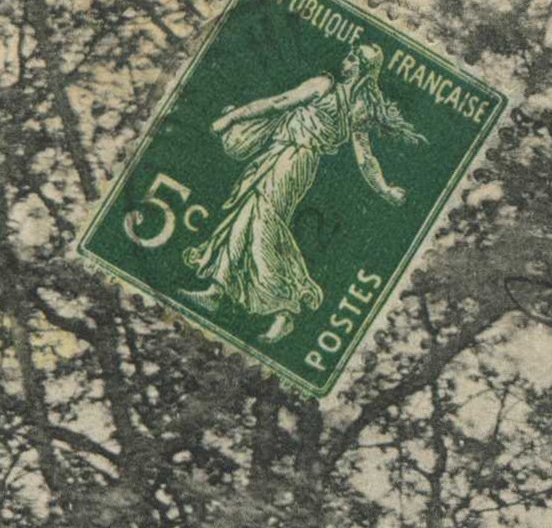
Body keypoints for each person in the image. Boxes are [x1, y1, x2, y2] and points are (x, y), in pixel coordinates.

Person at [181, 43, 426, 342]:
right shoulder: (356, 105)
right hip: (286, 157)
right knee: (246, 216)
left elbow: (277, 103)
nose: (345, 60)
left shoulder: (325, 86)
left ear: (360, 66)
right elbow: (364, 157)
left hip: (293, 159)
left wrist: (233, 118)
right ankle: (217, 290)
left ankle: (284, 307)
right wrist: (385, 189)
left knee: (262, 223)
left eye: (352, 56)